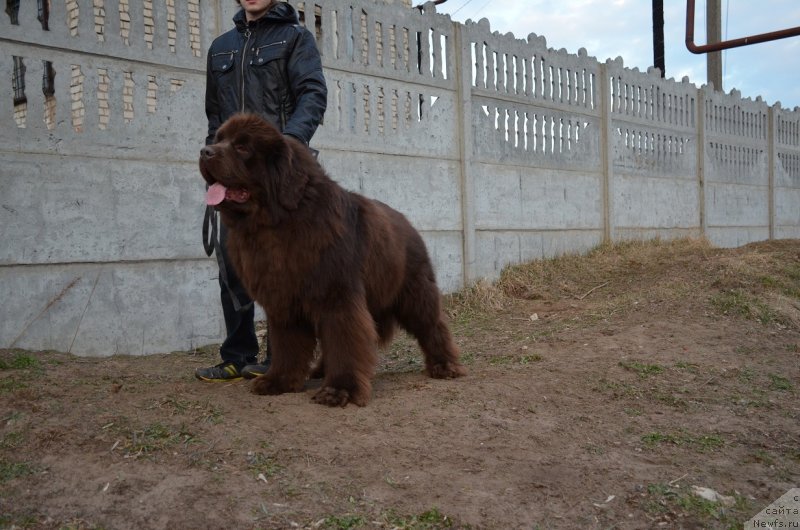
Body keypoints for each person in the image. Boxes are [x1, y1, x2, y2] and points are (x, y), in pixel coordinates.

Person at [196, 0, 327, 382]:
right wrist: (212, 168)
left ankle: (281, 359)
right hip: (231, 176)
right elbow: (214, 115)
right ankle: (237, 354)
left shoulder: (295, 38)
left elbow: (312, 95)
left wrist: (287, 146)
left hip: (276, 176)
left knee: (285, 268)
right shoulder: (221, 47)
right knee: (232, 264)